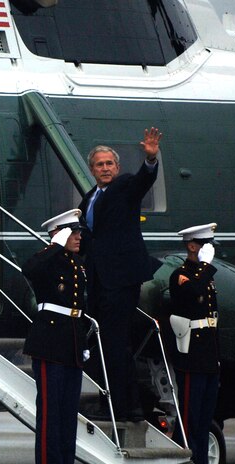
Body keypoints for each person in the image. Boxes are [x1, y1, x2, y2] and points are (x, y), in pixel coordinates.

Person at [77, 127, 162, 421]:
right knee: (102, 345)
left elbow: (143, 182)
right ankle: (119, 401)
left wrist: (151, 160)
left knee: (116, 342)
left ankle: (128, 407)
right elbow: (89, 237)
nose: (104, 168)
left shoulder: (124, 186)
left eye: (109, 163)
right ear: (92, 169)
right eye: (99, 164)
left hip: (121, 279)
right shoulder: (88, 198)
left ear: (117, 167)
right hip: (99, 282)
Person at [23, 209, 89, 464]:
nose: (78, 237)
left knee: (68, 414)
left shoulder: (77, 264)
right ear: (58, 234)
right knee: (50, 415)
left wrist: (83, 342)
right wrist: (54, 246)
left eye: (78, 231)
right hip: (49, 343)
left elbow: (79, 307)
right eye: (72, 232)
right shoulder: (48, 260)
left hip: (71, 342)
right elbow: (28, 269)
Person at [169, 223, 220, 464]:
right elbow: (193, 292)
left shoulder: (203, 276)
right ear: (192, 246)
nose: (210, 251)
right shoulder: (181, 275)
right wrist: (206, 266)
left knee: (204, 419)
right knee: (189, 418)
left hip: (208, 354)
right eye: (205, 245)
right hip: (191, 355)